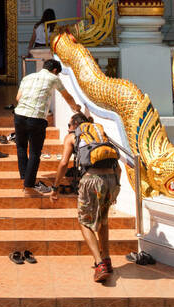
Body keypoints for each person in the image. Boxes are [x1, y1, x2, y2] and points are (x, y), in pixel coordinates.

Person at [49, 112, 123, 283]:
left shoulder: (72, 136)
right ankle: (107, 260)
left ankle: (99, 264)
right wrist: (116, 187)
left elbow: (63, 163)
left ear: (75, 124)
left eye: (69, 125)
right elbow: (117, 167)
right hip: (111, 179)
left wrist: (55, 187)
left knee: (84, 221)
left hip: (91, 179)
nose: (68, 129)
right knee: (103, 220)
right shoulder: (100, 134)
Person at [13, 58, 81, 197]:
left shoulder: (28, 77)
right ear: (55, 70)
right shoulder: (53, 78)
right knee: (34, 153)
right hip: (36, 118)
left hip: (19, 115)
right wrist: (76, 108)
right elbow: (67, 96)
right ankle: (28, 185)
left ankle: (25, 178)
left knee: (21, 147)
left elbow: (18, 98)